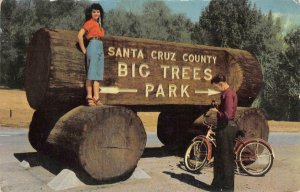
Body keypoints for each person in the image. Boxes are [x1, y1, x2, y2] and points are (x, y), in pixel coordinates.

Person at [209, 74, 238, 192]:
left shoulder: (229, 94)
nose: (216, 89)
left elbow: (228, 115)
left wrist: (216, 111)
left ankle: (228, 189)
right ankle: (217, 185)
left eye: (216, 87)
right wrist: (218, 107)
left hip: (227, 128)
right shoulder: (225, 94)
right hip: (223, 128)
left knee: (226, 159)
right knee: (219, 158)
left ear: (221, 84)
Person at [78, 3, 105, 106]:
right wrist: (84, 50)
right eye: (94, 11)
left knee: (98, 75)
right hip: (93, 45)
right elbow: (80, 35)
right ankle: (89, 96)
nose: (96, 13)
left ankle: (96, 97)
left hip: (100, 46)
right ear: (90, 13)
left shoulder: (100, 25)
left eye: (98, 11)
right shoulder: (89, 23)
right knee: (91, 73)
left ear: (100, 13)